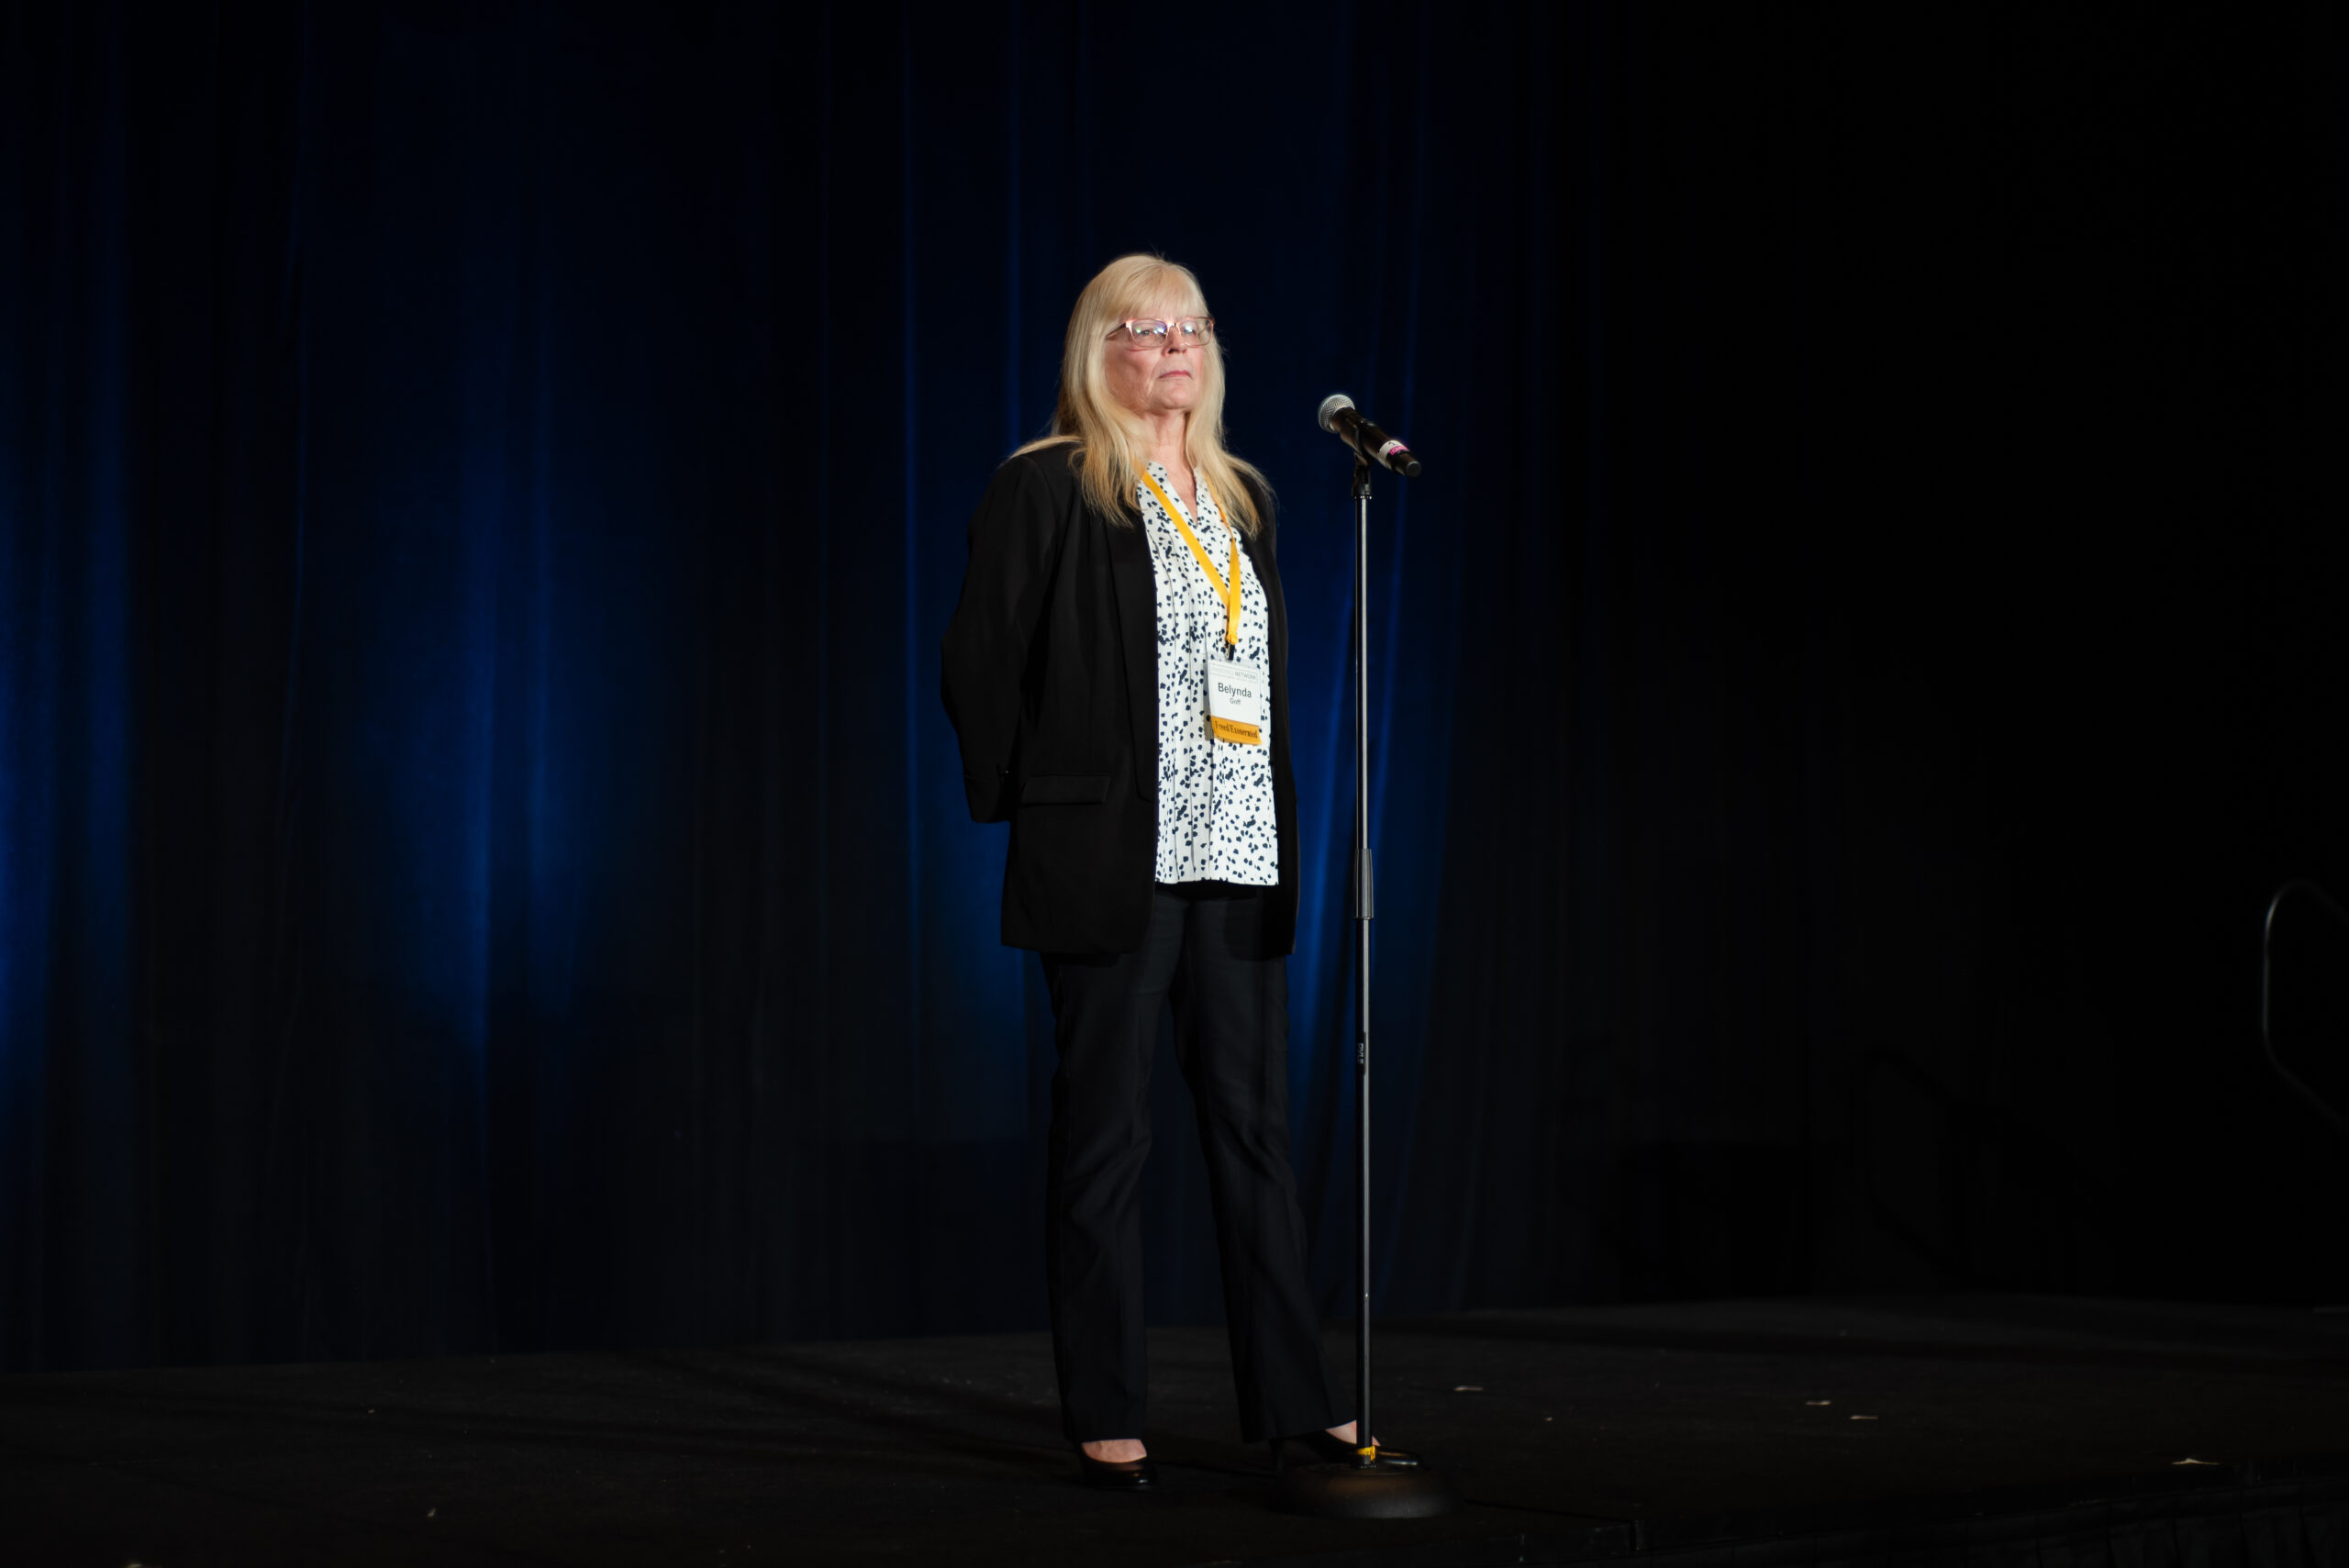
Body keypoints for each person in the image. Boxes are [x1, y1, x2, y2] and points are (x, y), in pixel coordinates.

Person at [941, 254, 1413, 1489]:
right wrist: (1043, 805)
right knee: (1109, 1137)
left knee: (1256, 1133)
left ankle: (1296, 1405)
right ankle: (1105, 1409)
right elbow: (979, 663)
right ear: (1099, 350)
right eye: (1146, 328)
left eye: (1194, 325)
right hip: (1113, 856)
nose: (1176, 346)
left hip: (1238, 850)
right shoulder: (1052, 485)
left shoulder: (1238, 494)